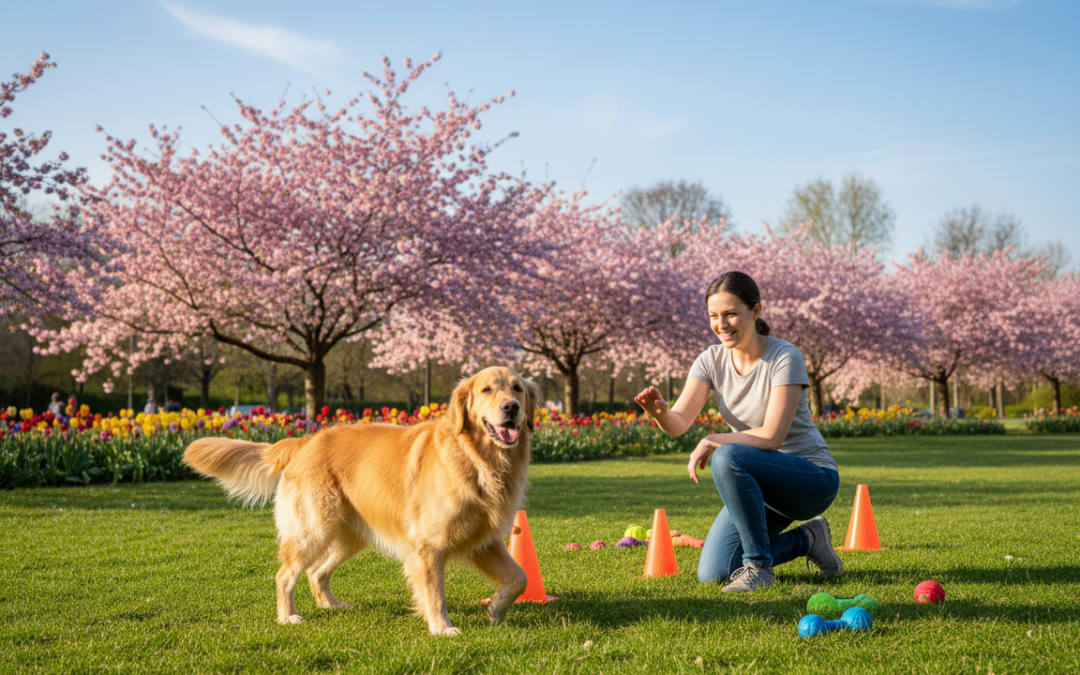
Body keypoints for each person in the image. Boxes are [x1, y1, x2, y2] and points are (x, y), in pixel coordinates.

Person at [634, 271, 842, 592]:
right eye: (714, 316)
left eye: (731, 314)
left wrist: (715, 439)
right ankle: (809, 539)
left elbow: (772, 437)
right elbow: (678, 423)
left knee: (728, 456)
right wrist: (660, 412)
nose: (722, 324)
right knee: (715, 572)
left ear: (755, 312)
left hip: (810, 479)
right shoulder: (710, 360)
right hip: (758, 486)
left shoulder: (785, 357)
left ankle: (759, 568)